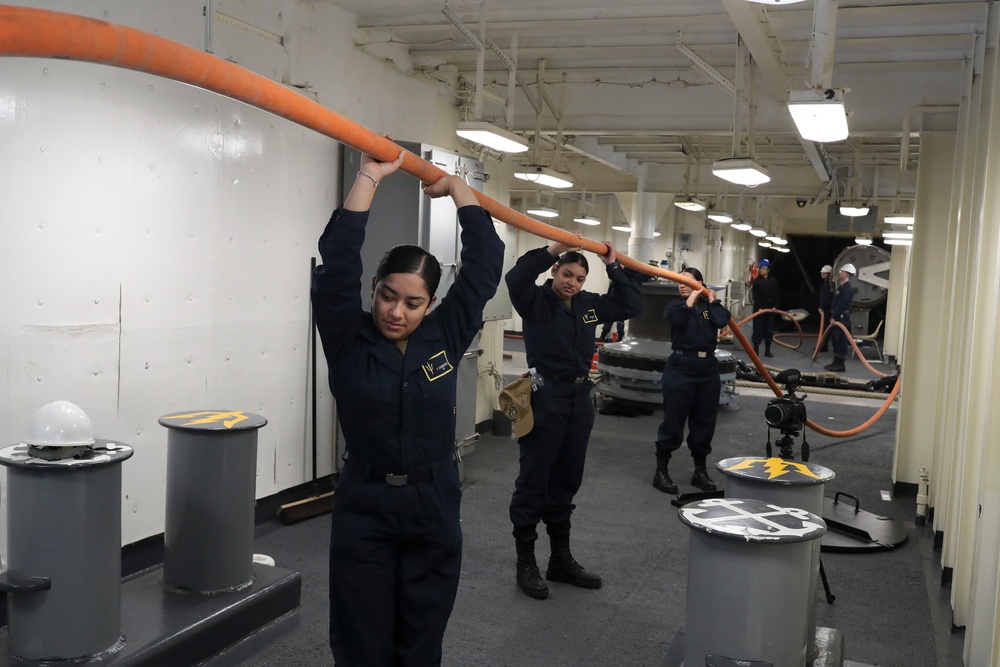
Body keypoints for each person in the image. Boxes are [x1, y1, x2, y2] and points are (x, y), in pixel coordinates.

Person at [311, 146, 504, 666]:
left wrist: (460, 191)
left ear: (432, 304)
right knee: (360, 636)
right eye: (387, 296)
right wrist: (369, 178)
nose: (396, 311)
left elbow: (485, 266)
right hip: (365, 502)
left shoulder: (448, 331)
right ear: (374, 291)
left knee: (422, 634)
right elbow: (335, 265)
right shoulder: (347, 336)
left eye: (412, 302)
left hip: (433, 501)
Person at [506, 238, 643, 600]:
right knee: (535, 477)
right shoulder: (534, 300)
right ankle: (526, 561)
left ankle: (560, 560)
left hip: (580, 399)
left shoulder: (588, 306)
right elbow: (516, 277)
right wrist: (552, 247)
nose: (573, 282)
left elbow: (631, 303)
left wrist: (613, 265)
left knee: (567, 478)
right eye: (567, 274)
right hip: (545, 395)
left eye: (580, 277)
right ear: (555, 271)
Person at [652, 268, 732, 496]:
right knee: (673, 420)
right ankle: (661, 471)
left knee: (704, 422)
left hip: (707, 370)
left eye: (687, 281)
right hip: (680, 367)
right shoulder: (676, 307)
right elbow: (676, 321)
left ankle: (699, 471)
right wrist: (692, 297)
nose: (681, 284)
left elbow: (722, 320)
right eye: (679, 281)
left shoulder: (709, 308)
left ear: (700, 282)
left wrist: (712, 300)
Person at [824, 263, 856, 372]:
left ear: (847, 274)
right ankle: (836, 361)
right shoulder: (842, 287)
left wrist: (834, 316)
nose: (839, 273)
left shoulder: (847, 289)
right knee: (835, 339)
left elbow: (842, 304)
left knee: (840, 339)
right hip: (838, 317)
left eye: (841, 272)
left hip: (841, 318)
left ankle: (840, 364)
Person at [751, 258, 779, 358]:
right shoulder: (757, 281)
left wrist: (775, 306)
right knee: (758, 329)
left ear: (767, 270)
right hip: (759, 310)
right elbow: (756, 296)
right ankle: (755, 351)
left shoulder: (773, 280)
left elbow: (776, 294)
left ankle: (767, 350)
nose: (761, 270)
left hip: (770, 309)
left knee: (768, 329)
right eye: (760, 268)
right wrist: (759, 308)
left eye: (763, 268)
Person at [818, 264, 834, 352]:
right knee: (824, 327)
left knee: (826, 328)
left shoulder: (829, 285)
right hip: (825, 308)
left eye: (825, 273)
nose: (823, 275)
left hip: (827, 309)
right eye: (822, 273)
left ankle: (824, 345)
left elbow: (826, 297)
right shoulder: (825, 284)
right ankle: (823, 345)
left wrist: (822, 306)